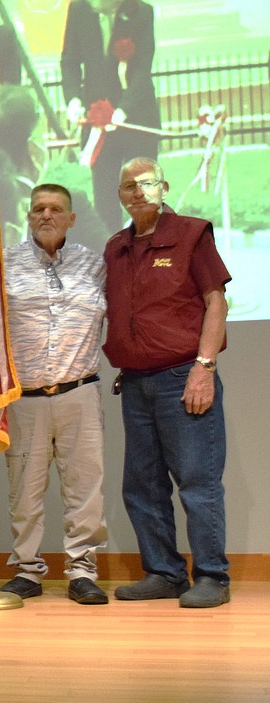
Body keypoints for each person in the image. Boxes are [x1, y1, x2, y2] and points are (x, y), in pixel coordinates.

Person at [104, 157, 232, 608]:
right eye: (128, 187)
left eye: (146, 183)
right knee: (142, 485)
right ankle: (163, 572)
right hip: (135, 383)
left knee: (197, 482)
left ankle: (213, 576)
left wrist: (204, 367)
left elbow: (216, 303)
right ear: (119, 196)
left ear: (164, 186)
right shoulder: (116, 247)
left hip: (184, 376)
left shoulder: (192, 234)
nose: (137, 193)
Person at [0, 184, 109, 605]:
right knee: (24, 489)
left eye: (55, 209)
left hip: (79, 393)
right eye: (38, 208)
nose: (46, 215)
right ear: (28, 215)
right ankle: (28, 570)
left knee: (85, 488)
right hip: (24, 398)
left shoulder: (94, 265)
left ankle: (82, 571)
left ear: (71, 218)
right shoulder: (4, 264)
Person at [61, 0, 159, 232]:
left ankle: (148, 256)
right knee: (104, 198)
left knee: (143, 197)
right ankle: (113, 257)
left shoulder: (141, 13)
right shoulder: (80, 8)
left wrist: (122, 110)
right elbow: (70, 61)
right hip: (98, 120)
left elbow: (142, 70)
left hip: (136, 116)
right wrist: (73, 98)